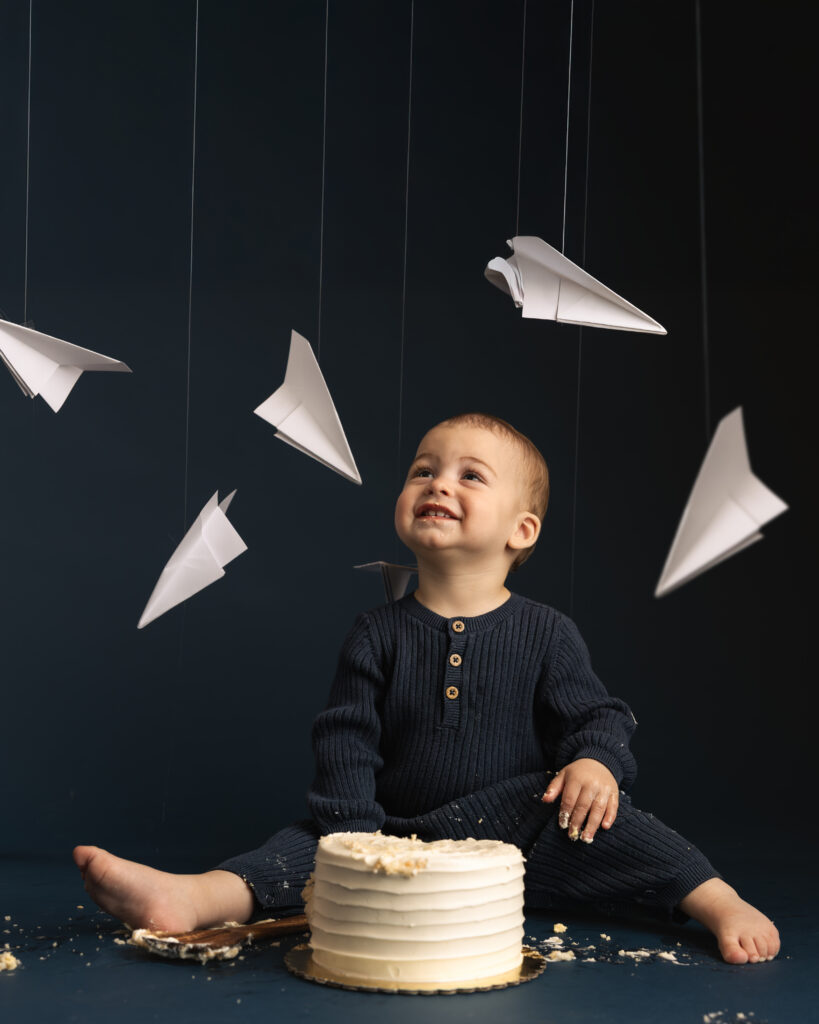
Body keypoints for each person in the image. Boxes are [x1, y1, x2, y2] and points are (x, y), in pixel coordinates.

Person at [73, 413, 780, 964]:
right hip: (391, 826)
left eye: (470, 476)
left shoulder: (546, 632)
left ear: (520, 528)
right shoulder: (375, 631)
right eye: (423, 471)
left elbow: (595, 714)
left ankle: (718, 902)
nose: (438, 484)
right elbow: (345, 738)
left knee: (616, 823)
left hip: (514, 827)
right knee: (297, 851)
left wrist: (593, 762)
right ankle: (191, 898)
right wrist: (354, 837)